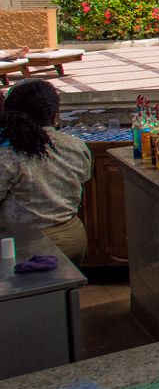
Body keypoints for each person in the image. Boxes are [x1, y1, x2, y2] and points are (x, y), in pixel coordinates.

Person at [0, 79, 92, 260]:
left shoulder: (9, 153)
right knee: (68, 286)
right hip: (72, 235)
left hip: (29, 243)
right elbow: (84, 179)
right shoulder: (75, 145)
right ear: (54, 114)